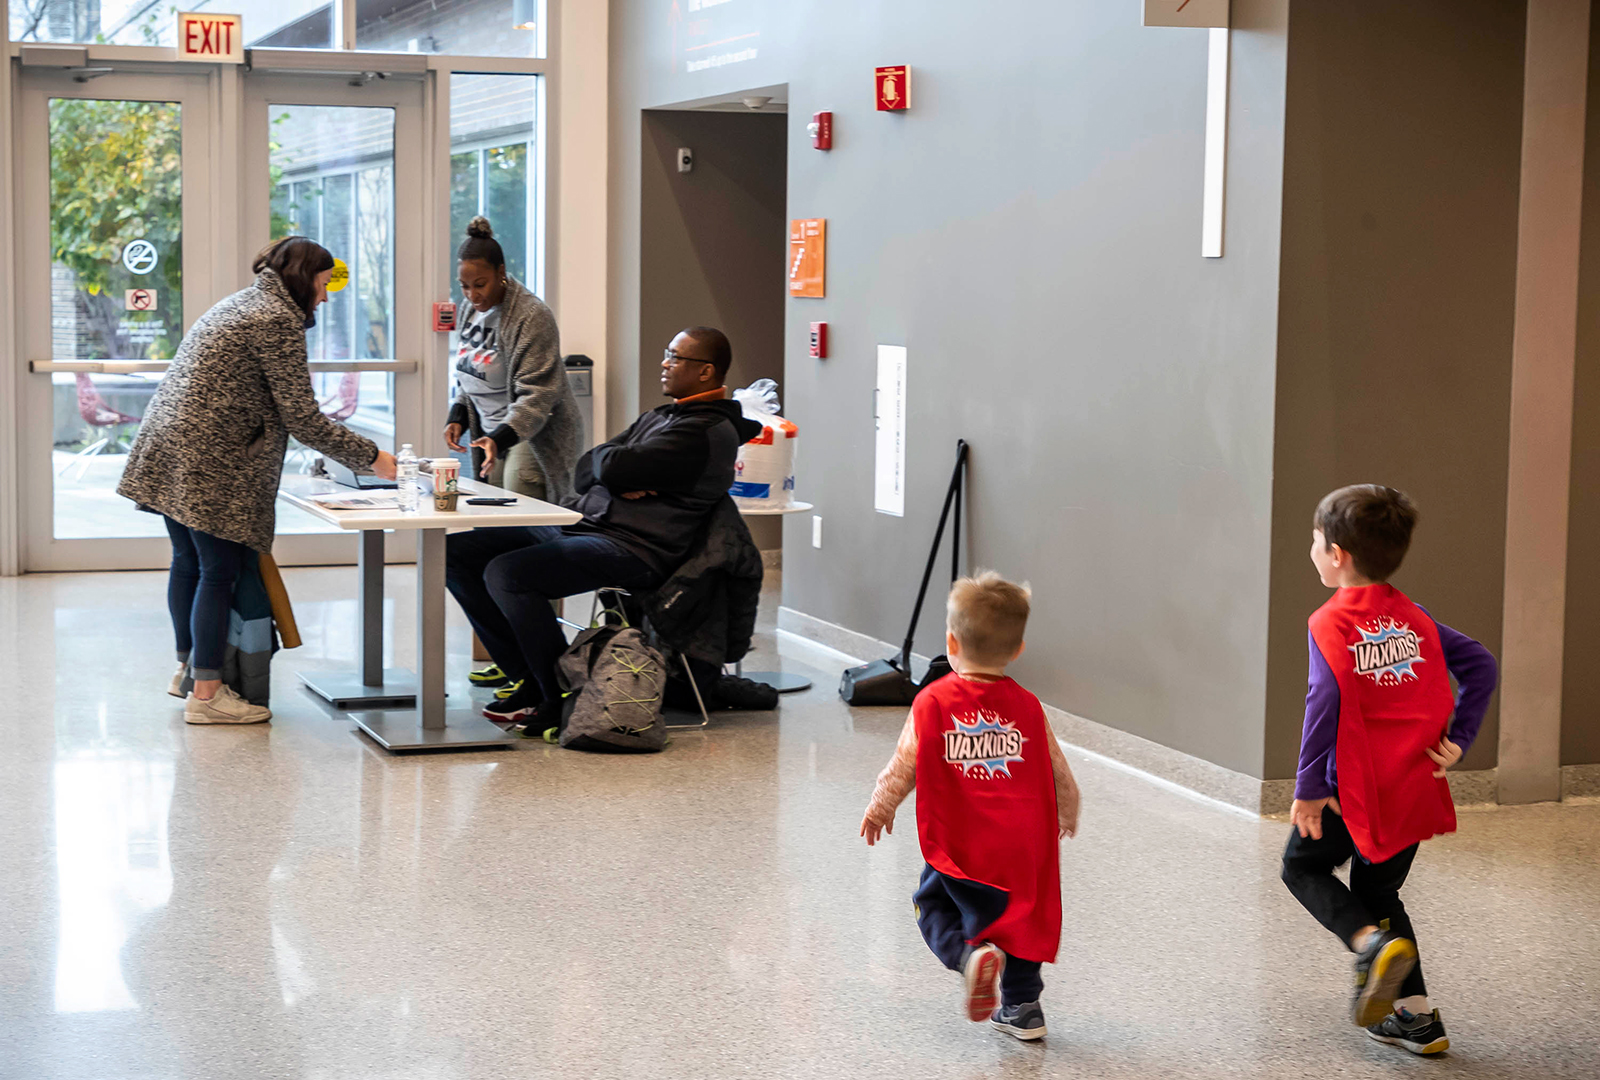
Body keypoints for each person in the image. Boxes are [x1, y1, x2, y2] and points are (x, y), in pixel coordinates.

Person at [119, 237, 398, 725]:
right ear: (302, 278)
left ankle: (187, 670)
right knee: (217, 571)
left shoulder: (242, 302)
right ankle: (206, 694)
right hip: (208, 456)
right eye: (323, 283)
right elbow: (303, 418)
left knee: (188, 562)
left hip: (170, 444)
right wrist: (373, 458)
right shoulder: (276, 319)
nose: (326, 296)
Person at [445, 326, 763, 733]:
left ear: (705, 372)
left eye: (675, 357)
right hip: (588, 525)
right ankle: (525, 675)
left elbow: (608, 465)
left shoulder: (704, 432)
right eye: (667, 352)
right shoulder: (664, 416)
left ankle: (556, 692)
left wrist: (613, 469)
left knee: (508, 574)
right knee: (457, 554)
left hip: (635, 549)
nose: (664, 363)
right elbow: (588, 467)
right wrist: (614, 472)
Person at [1280, 485, 1498, 1055]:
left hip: (1351, 790)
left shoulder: (1329, 622)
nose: (1312, 548)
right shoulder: (1414, 615)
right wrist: (1460, 739)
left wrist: (1306, 789)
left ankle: (1369, 944)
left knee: (1301, 868)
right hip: (1413, 787)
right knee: (1381, 892)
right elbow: (1480, 663)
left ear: (1338, 556)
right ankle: (1419, 1020)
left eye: (1313, 540)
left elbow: (1320, 705)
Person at [860, 572, 1081, 1041]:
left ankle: (969, 957)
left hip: (962, 844)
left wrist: (880, 807)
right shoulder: (1027, 705)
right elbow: (1057, 767)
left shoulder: (932, 703)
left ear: (951, 642)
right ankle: (1023, 1008)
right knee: (1024, 915)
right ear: (1018, 650)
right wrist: (1068, 809)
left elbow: (903, 765)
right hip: (1025, 845)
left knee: (931, 904)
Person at [442, 216, 581, 501]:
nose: (472, 295)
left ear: (501, 272)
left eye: (480, 284)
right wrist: (458, 416)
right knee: (492, 512)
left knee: (518, 510)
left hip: (533, 432)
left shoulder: (531, 316)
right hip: (491, 430)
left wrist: (500, 438)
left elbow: (539, 395)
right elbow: (470, 372)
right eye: (464, 286)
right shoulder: (470, 310)